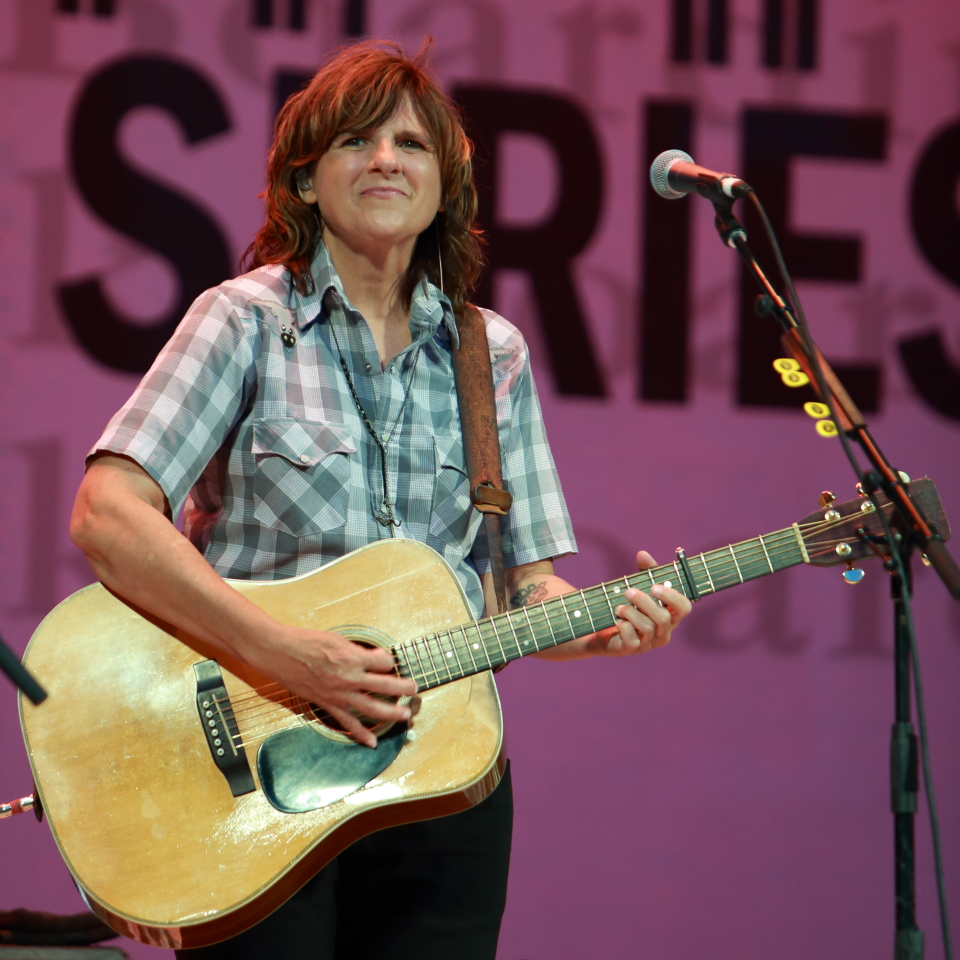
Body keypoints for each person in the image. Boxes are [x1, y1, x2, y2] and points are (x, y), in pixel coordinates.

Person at [70, 40, 691, 960]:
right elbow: (106, 513)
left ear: (447, 185)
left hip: (443, 783)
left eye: (412, 144)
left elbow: (520, 590)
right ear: (306, 181)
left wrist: (603, 627)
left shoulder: (491, 354)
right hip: (258, 774)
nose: (387, 160)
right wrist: (285, 654)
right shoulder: (244, 320)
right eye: (356, 141)